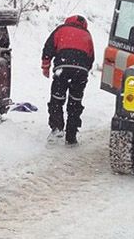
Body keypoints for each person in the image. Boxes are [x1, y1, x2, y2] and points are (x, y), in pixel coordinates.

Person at [41, 15, 95, 145]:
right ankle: (71, 136)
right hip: (80, 71)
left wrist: (46, 66)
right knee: (75, 102)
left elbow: (48, 48)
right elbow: (91, 57)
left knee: (57, 99)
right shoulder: (87, 35)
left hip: (62, 69)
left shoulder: (61, 30)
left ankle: (57, 128)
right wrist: (83, 72)